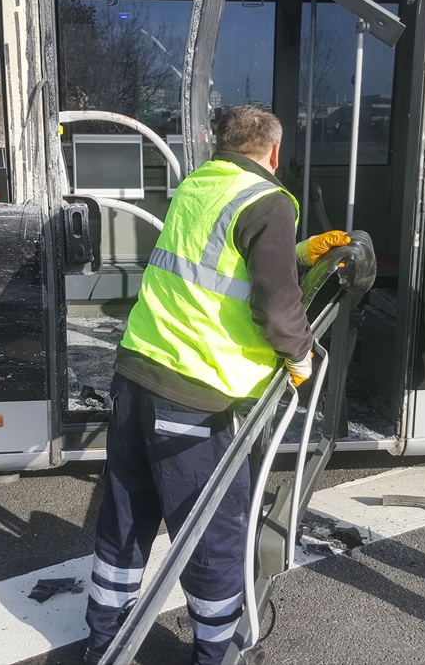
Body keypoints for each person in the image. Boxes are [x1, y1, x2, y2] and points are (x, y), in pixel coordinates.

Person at [83, 104, 350, 665]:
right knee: (213, 533)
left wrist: (300, 253)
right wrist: (301, 357)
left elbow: (221, 264)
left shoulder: (199, 185)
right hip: (199, 393)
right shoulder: (268, 200)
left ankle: (105, 641)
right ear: (274, 153)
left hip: (137, 374)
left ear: (223, 145)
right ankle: (218, 650)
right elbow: (277, 306)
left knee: (127, 516)